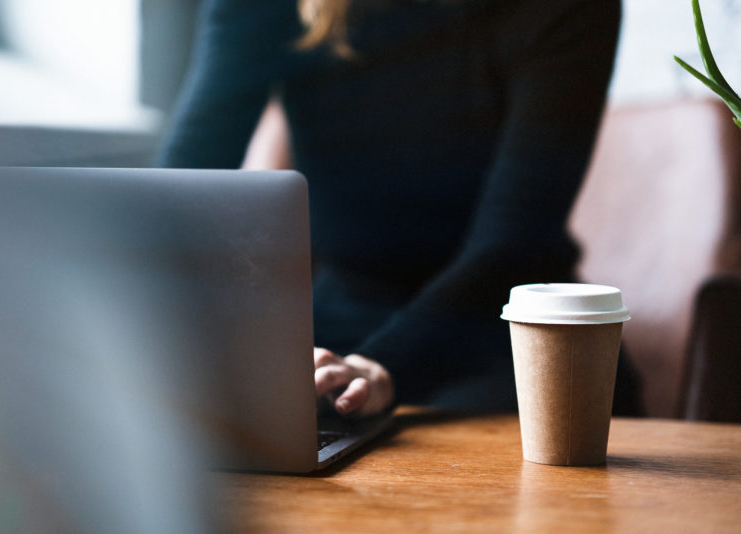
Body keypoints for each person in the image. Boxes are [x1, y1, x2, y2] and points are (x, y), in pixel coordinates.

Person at [158, 0, 637, 417]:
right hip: (338, 312)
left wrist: (382, 367)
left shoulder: (565, 8)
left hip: (507, 328)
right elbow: (176, 198)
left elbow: (512, 242)